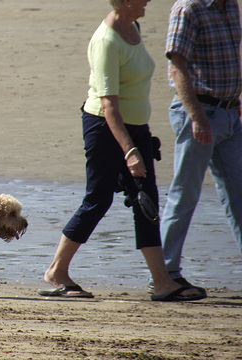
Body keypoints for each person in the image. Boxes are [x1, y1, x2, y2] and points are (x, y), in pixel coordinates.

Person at [39, 0, 205, 301]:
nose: (148, 1)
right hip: (105, 128)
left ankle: (162, 282)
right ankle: (56, 271)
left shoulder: (134, 27)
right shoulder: (106, 41)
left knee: (147, 202)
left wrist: (141, 137)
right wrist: (130, 152)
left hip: (135, 128)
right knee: (98, 199)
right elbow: (109, 105)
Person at [159, 0, 242, 296]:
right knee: (185, 193)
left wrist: (235, 104)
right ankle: (166, 275)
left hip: (231, 113)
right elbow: (176, 67)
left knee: (239, 194)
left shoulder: (231, 5)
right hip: (198, 113)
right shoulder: (188, 8)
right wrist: (197, 116)